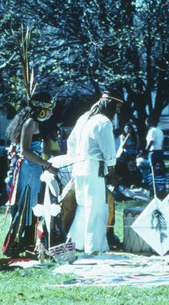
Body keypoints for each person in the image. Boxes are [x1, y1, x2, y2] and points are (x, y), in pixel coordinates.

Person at [1, 92, 58, 257]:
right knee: (26, 205)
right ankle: (20, 243)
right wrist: (46, 164)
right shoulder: (30, 123)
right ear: (41, 109)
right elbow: (25, 151)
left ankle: (30, 243)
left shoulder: (35, 124)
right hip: (28, 169)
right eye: (50, 108)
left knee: (33, 205)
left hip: (34, 168)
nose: (51, 112)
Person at [66, 90, 123, 254]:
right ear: (111, 104)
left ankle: (77, 243)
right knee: (96, 208)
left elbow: (71, 141)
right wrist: (111, 171)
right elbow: (109, 151)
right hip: (93, 169)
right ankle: (94, 247)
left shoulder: (84, 117)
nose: (118, 110)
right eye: (118, 106)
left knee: (83, 206)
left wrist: (73, 162)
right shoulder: (104, 122)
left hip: (78, 167)